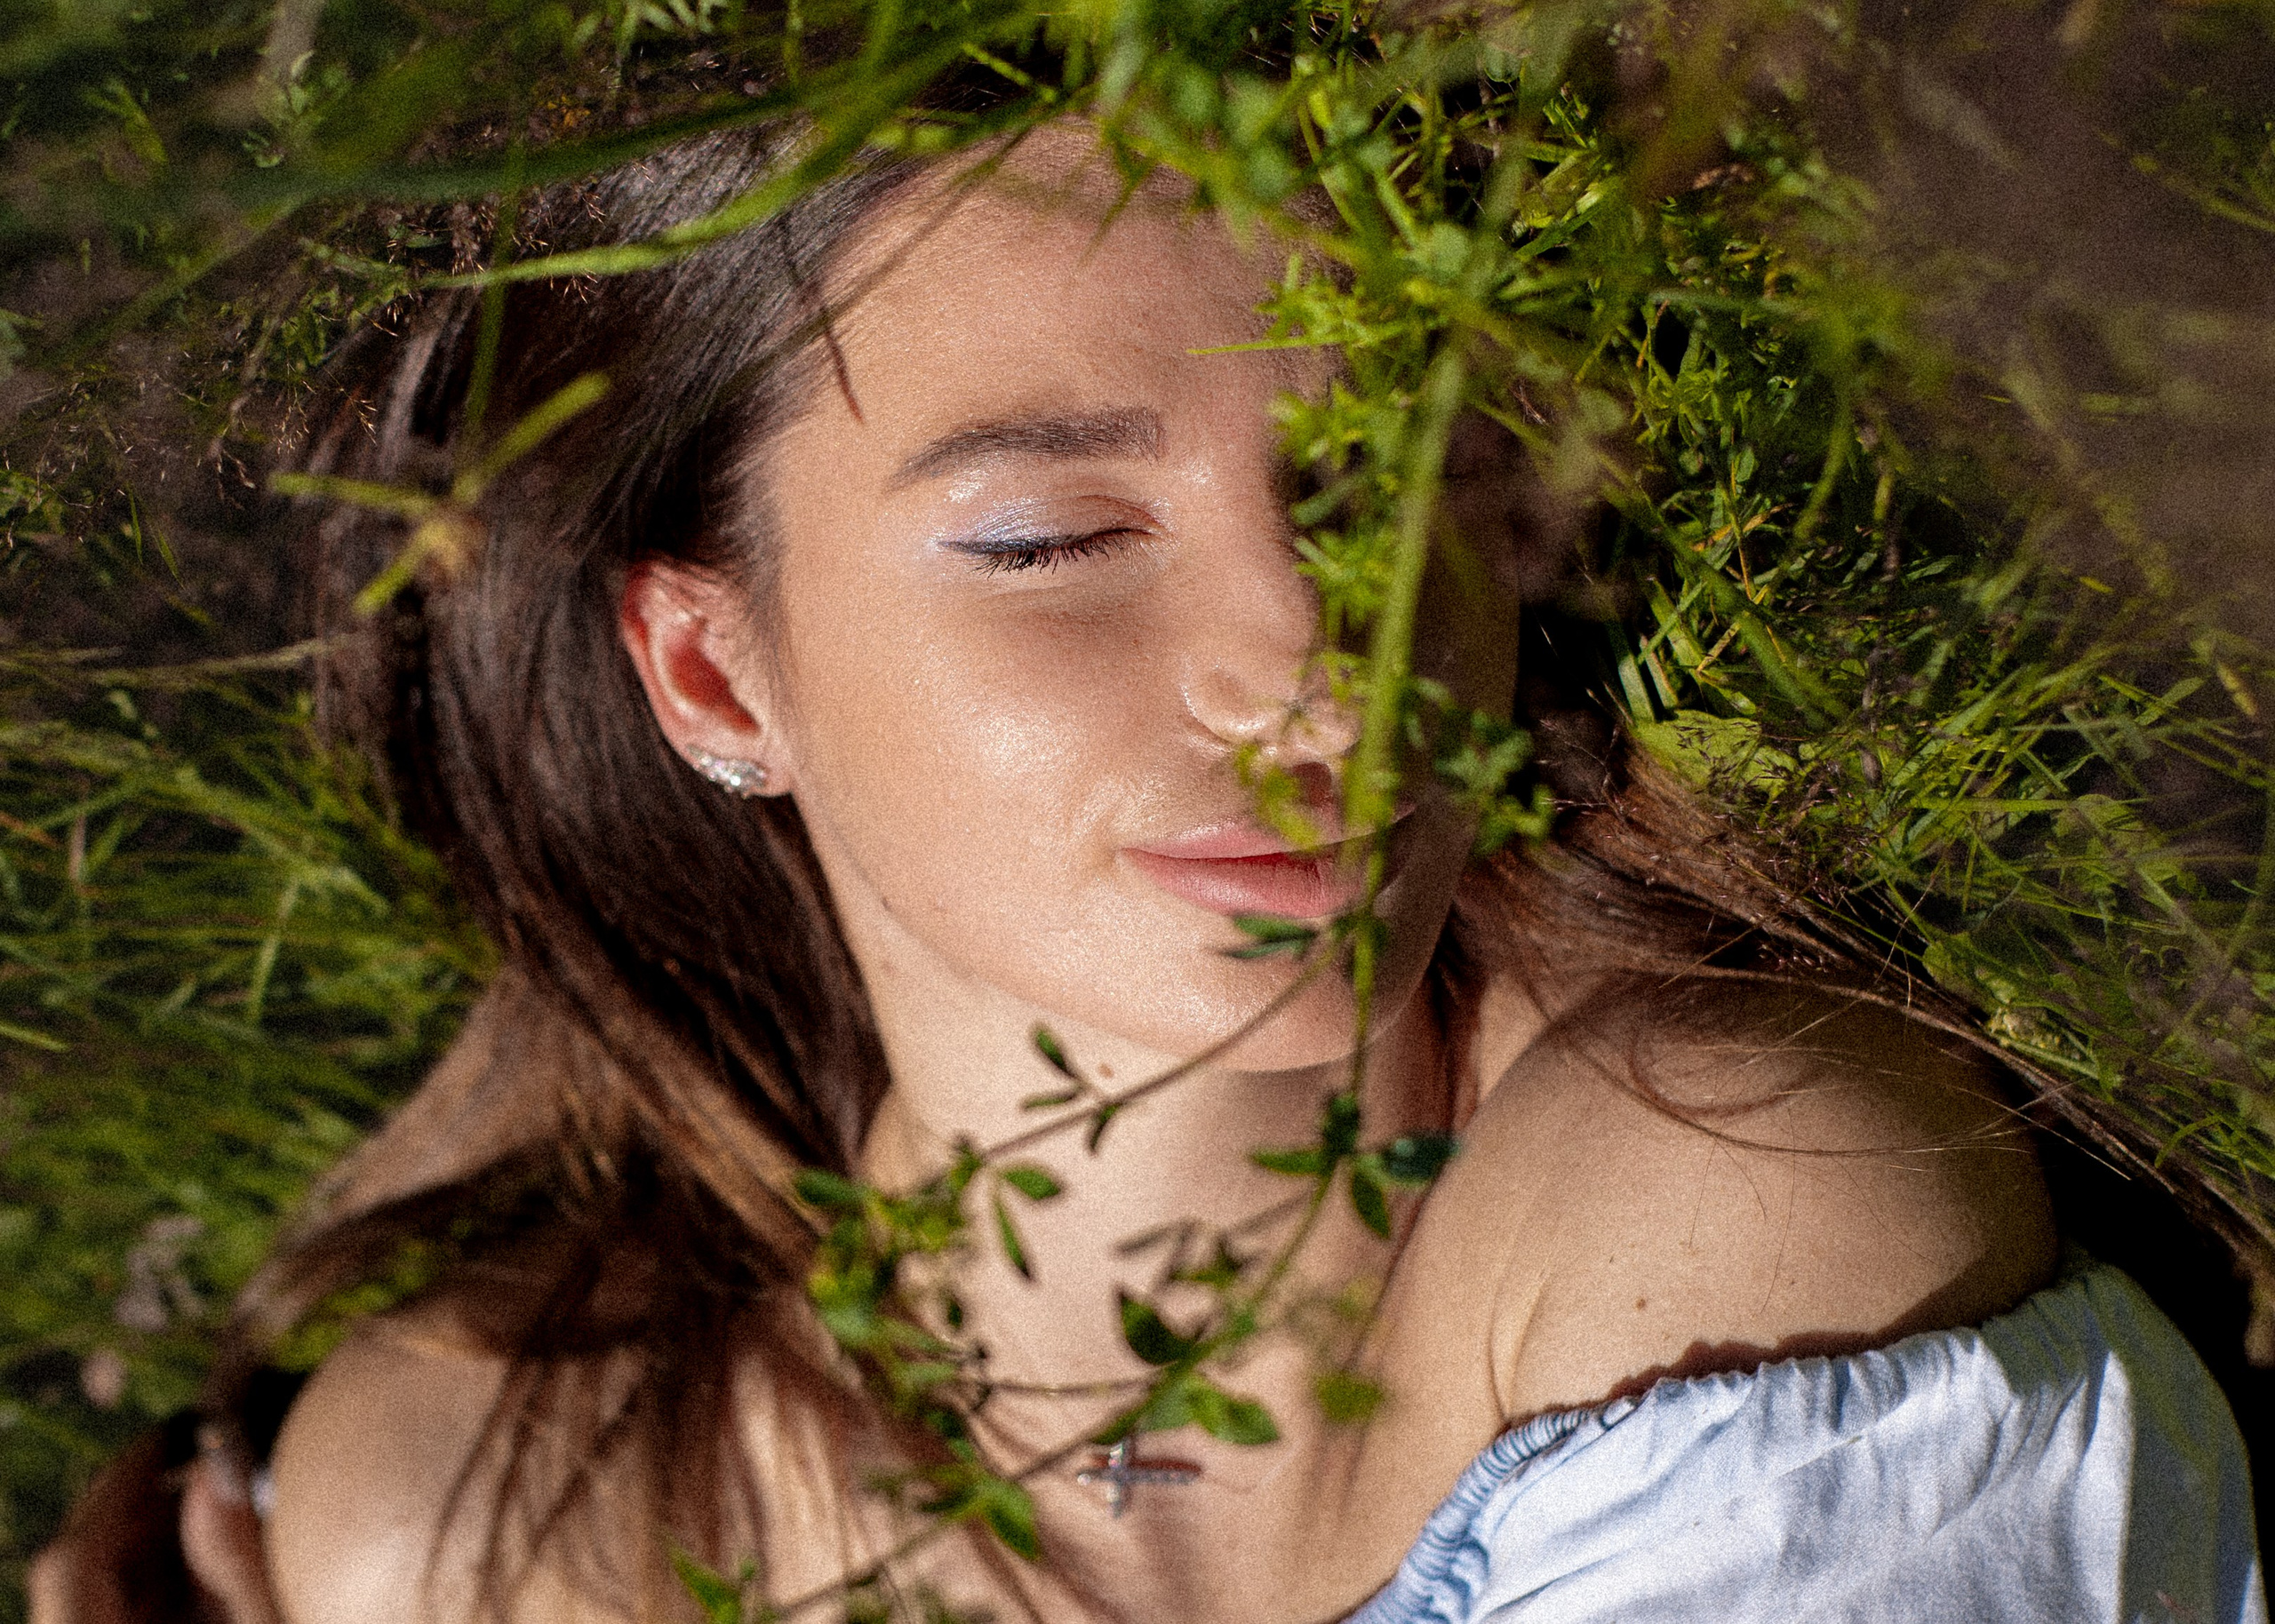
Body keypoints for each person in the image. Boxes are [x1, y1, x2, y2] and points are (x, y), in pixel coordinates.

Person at [29, 118, 2264, 1624]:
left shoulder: (1737, 1201)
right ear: (714, 671)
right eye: (1051, 541)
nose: (1313, 660)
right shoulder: (500, 1499)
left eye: (1389, 487)